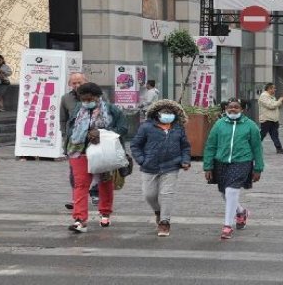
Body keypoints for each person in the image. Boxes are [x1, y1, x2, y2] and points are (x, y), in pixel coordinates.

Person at [64, 82, 128, 233]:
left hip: (103, 151)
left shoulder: (111, 109)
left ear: (97, 96)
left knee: (105, 182)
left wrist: (102, 132)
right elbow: (70, 128)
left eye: (89, 99)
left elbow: (123, 128)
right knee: (80, 184)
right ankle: (80, 220)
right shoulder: (77, 109)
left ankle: (105, 213)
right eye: (83, 99)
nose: (86, 102)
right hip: (79, 151)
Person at [204, 98, 264, 239]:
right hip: (221, 162)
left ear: (242, 110)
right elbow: (210, 145)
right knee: (225, 192)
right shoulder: (219, 124)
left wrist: (258, 168)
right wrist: (208, 166)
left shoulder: (251, 126)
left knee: (231, 190)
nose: (233, 110)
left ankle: (227, 226)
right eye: (230, 107)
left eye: (236, 107)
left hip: (242, 161)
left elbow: (257, 148)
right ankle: (241, 211)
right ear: (225, 109)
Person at [131, 99, 191, 237]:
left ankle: (165, 221)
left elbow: (185, 146)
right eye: (164, 113)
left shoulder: (178, 128)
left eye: (170, 113)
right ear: (156, 114)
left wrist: (185, 160)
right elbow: (135, 145)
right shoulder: (146, 127)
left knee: (166, 194)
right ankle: (158, 211)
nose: (167, 115)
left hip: (171, 166)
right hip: (149, 166)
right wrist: (142, 160)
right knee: (149, 194)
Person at [59, 73, 99, 210]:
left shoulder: (96, 96)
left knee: (96, 167)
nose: (77, 85)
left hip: (93, 139)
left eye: (79, 82)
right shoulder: (66, 99)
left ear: (85, 82)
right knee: (74, 171)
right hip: (74, 142)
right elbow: (63, 119)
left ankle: (95, 193)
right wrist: (65, 134)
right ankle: (76, 197)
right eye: (74, 83)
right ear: (70, 84)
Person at [258, 83, 283, 154]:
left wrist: (281, 102)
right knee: (262, 135)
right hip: (266, 119)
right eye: (273, 88)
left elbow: (276, 106)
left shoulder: (271, 96)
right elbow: (271, 106)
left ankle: (279, 149)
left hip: (273, 120)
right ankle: (253, 148)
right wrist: (280, 100)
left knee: (275, 135)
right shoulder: (264, 96)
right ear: (269, 89)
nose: (275, 90)